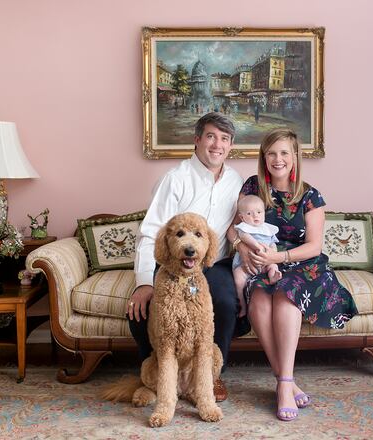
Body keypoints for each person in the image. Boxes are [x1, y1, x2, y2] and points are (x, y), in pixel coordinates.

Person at [233, 128, 358, 421]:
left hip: (303, 264)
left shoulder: (310, 196)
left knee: (286, 297)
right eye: (272, 153)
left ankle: (283, 384)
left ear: (295, 157)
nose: (278, 159)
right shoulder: (252, 187)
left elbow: (314, 246)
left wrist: (279, 256)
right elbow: (233, 227)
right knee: (260, 300)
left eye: (284, 153)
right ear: (264, 157)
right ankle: (286, 381)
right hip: (263, 261)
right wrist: (243, 246)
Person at [126, 112, 246, 402]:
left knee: (226, 302)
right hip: (173, 262)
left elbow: (238, 223)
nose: (217, 144)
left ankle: (211, 378)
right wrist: (144, 282)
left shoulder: (235, 180)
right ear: (197, 140)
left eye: (224, 139)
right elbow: (151, 232)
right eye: (211, 136)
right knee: (145, 309)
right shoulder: (175, 178)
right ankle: (156, 377)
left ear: (230, 146)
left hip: (211, 263)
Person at [232, 194, 282, 318]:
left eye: (259, 212)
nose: (255, 216)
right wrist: (257, 246)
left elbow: (273, 244)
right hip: (246, 264)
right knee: (238, 278)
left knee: (273, 266)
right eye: (249, 213)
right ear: (242, 217)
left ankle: (273, 276)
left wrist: (273, 254)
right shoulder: (243, 227)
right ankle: (242, 305)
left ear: (264, 213)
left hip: (265, 262)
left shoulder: (268, 229)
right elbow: (244, 237)